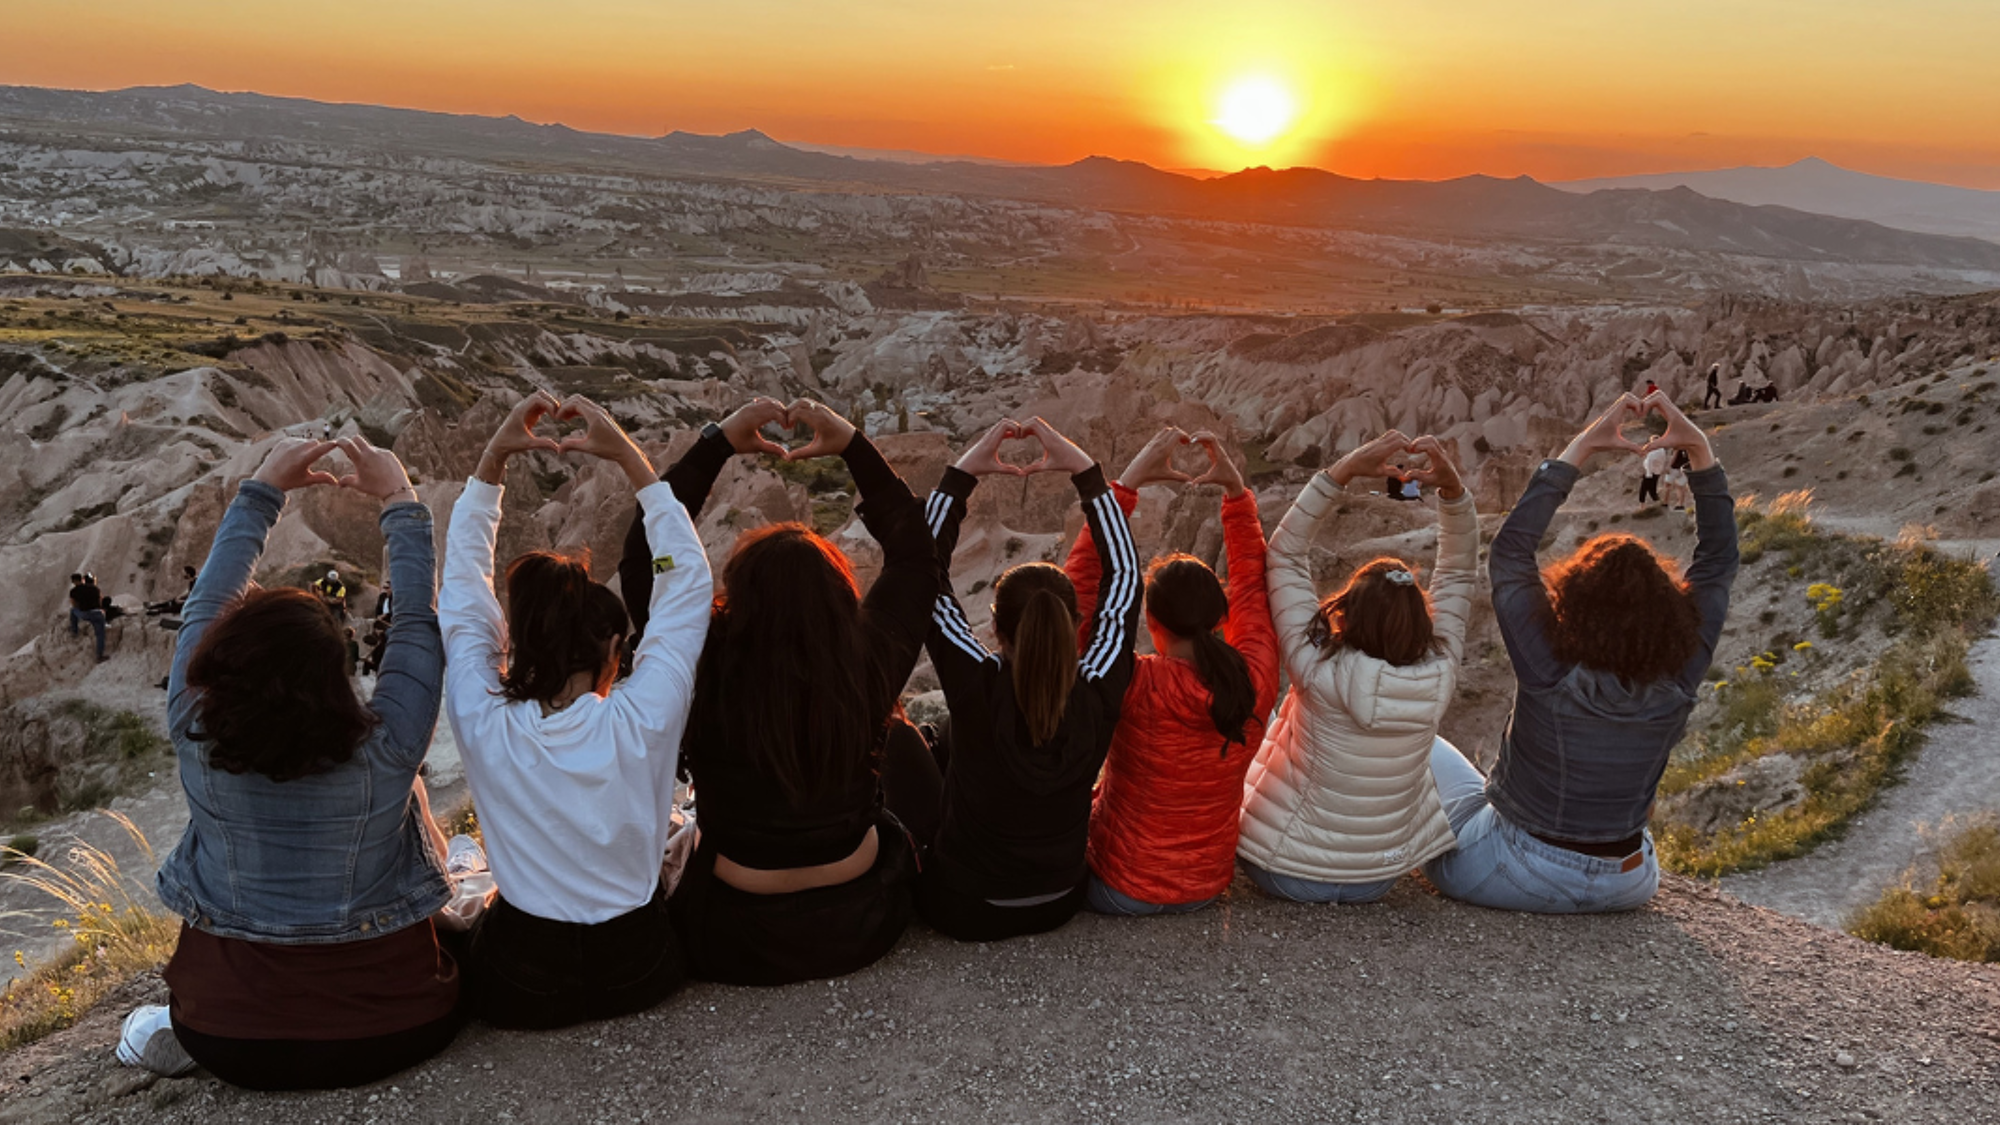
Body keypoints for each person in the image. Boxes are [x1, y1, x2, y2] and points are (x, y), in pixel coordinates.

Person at [121, 434, 461, 1089]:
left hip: (226, 1038)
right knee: (412, 808)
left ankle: (152, 1038)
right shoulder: (389, 747)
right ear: (336, 675)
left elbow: (204, 609)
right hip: (400, 1025)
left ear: (224, 667)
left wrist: (261, 493)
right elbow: (417, 622)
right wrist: (399, 497)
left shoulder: (193, 724)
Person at [618, 396, 943, 986]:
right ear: (839, 598)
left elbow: (644, 560)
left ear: (737, 600)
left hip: (735, 935)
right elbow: (918, 557)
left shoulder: (703, 661)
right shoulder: (867, 664)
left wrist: (715, 444)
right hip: (864, 918)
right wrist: (854, 447)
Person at [441, 391, 711, 1028]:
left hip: (521, 984)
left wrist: (493, 461)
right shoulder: (645, 715)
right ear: (615, 649)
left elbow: (462, 594)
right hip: (642, 969)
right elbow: (686, 584)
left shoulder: (485, 719)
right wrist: (631, 460)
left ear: (521, 641)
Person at [1421, 392, 1738, 913]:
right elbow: (1717, 561)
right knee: (1481, 790)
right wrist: (1701, 454)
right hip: (1628, 880)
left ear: (1576, 600)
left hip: (1518, 869)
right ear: (1669, 612)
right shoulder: (1682, 672)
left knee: (1423, 746)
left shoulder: (1550, 666)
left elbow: (1509, 555)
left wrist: (1581, 449)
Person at [919, 417, 1141, 941]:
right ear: (1075, 628)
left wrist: (962, 473)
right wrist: (1087, 475)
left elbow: (923, 570)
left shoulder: (975, 686)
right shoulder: (1098, 689)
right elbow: (1126, 580)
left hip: (965, 907)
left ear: (996, 628)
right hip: (1060, 898)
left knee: (924, 742)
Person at [1236, 432, 1479, 903]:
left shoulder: (1317, 666)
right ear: (1421, 617)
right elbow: (1459, 572)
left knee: (1265, 724)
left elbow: (1284, 554)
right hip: (1376, 879)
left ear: (1344, 613)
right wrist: (1452, 493)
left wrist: (1339, 473)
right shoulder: (1441, 669)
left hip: (1287, 871)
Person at [1077, 428, 1279, 916]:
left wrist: (1124, 487)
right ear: (1221, 618)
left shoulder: (1132, 682)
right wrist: (1236, 494)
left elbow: (1081, 594)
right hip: (1206, 885)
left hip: (1120, 886)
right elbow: (1252, 583)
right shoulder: (1252, 679)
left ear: (1152, 621)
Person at [68, 571, 108, 663]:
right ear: (82, 579)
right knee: (100, 634)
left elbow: (74, 604)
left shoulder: (74, 591)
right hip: (98, 614)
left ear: (73, 581)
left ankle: (74, 631)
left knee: (73, 611)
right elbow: (101, 601)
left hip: (86, 614)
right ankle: (99, 656)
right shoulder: (95, 588)